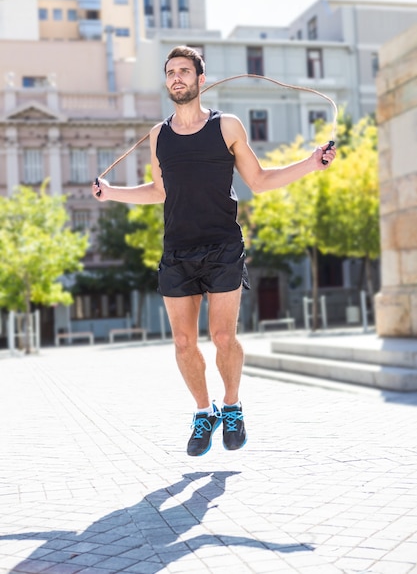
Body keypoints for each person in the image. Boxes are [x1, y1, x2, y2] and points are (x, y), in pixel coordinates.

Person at [91, 45, 336, 457]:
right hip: (177, 250)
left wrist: (311, 164)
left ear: (201, 80)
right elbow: (159, 191)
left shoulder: (227, 127)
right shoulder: (159, 135)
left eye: (185, 71)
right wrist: (110, 192)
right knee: (184, 343)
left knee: (223, 336)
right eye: (171, 72)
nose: (177, 78)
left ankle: (233, 405)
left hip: (223, 245)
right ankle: (204, 412)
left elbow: (258, 180)